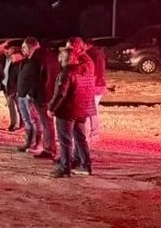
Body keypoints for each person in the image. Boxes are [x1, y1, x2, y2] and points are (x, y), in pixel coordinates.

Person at [48, 45, 95, 177]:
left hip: (67, 111)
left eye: (61, 56)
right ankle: (86, 165)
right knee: (81, 139)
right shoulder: (84, 72)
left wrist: (52, 108)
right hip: (80, 110)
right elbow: (88, 91)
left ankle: (65, 167)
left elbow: (60, 94)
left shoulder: (66, 74)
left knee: (65, 141)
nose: (59, 59)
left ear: (66, 59)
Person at [24, 37, 60, 159]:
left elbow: (35, 80)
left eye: (24, 48)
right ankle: (49, 147)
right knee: (48, 123)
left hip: (42, 95)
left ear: (29, 47)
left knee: (46, 123)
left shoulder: (35, 59)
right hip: (51, 93)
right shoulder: (50, 55)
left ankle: (49, 148)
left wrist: (31, 94)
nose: (24, 51)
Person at [84, 38, 108, 143]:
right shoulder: (99, 54)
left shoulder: (92, 54)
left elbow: (94, 71)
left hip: (96, 85)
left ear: (86, 45)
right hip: (99, 84)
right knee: (93, 108)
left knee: (92, 109)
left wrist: (91, 83)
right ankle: (94, 131)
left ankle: (94, 132)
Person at [1, 45, 24, 132]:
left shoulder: (16, 61)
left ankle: (23, 124)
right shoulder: (4, 60)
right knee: (11, 107)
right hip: (6, 86)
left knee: (20, 107)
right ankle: (13, 123)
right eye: (5, 50)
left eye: (8, 50)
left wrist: (16, 90)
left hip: (15, 88)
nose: (6, 52)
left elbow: (18, 77)